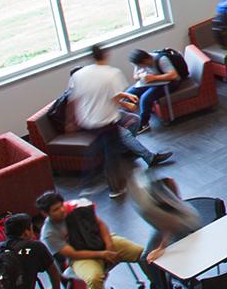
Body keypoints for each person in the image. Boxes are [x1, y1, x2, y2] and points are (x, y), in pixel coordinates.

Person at [34, 191, 152, 289]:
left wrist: (109, 246)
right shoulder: (49, 234)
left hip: (103, 243)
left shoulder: (77, 207)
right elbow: (73, 253)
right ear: (45, 214)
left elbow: (100, 224)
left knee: (143, 253)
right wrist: (103, 254)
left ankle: (158, 285)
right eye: (55, 210)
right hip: (82, 257)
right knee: (94, 278)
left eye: (61, 206)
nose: (61, 210)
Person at [67, 45, 171, 197]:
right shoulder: (111, 73)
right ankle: (116, 188)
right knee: (112, 153)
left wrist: (70, 120)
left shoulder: (80, 75)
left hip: (88, 120)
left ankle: (88, 183)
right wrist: (126, 101)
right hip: (106, 119)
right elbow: (113, 96)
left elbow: (73, 99)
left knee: (96, 149)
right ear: (105, 55)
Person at [124, 47, 183, 135]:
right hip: (152, 82)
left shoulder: (161, 59)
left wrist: (154, 78)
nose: (140, 67)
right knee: (128, 94)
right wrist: (140, 76)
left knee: (145, 98)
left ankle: (144, 123)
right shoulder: (140, 62)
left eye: (141, 65)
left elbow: (174, 75)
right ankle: (127, 120)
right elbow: (135, 75)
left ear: (145, 61)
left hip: (169, 83)